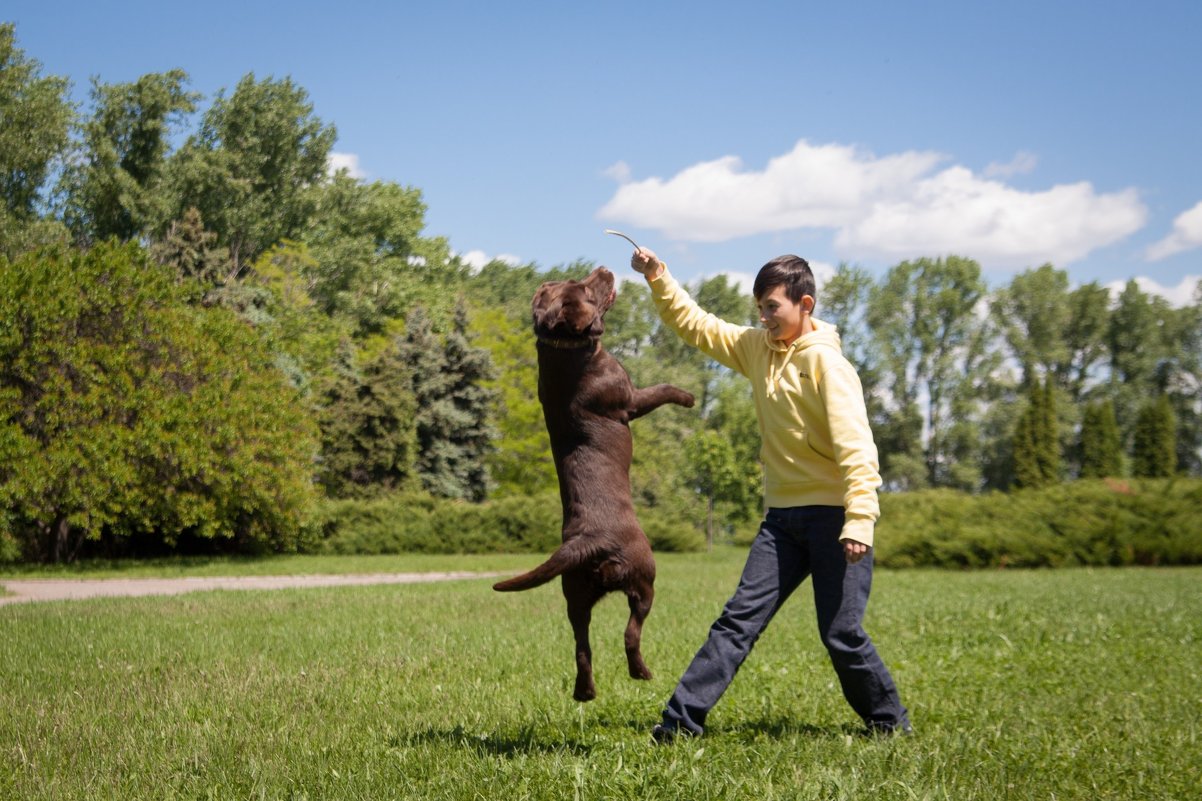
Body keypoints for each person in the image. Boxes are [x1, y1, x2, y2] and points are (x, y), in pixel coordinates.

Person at [630, 247, 911, 741]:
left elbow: (858, 450)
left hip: (835, 518)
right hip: (782, 520)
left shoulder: (830, 366)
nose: (762, 318)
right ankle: (678, 724)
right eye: (758, 307)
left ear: (805, 304)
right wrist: (658, 276)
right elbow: (697, 325)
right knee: (737, 621)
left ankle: (890, 724)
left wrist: (859, 519)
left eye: (771, 308)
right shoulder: (758, 348)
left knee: (842, 635)